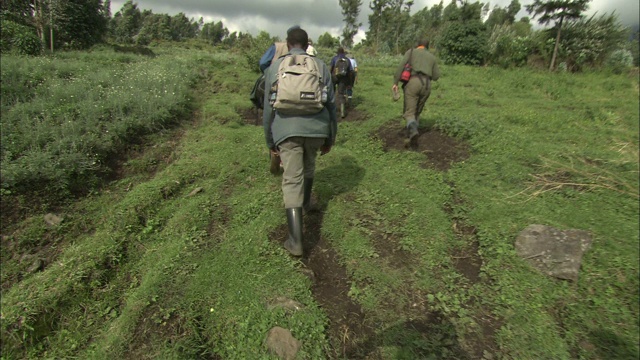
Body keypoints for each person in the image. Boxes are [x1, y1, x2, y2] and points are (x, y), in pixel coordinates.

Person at [263, 27, 338, 257]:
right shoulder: (321, 66)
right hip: (316, 129)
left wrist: (270, 140)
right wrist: (330, 138)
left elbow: (268, 109)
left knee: (291, 179)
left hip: (287, 130)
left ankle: (295, 241)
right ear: (307, 45)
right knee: (309, 165)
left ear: (287, 43)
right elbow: (332, 106)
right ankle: (306, 204)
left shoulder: (276, 66)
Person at [392, 38, 440, 144]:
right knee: (417, 112)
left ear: (418, 44)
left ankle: (413, 131)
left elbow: (401, 67)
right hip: (427, 85)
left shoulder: (411, 52)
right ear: (427, 46)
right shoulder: (432, 57)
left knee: (409, 113)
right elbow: (436, 76)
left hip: (413, 83)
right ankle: (411, 138)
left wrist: (395, 82)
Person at [330, 47, 353, 117]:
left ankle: (331, 110)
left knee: (332, 93)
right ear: (344, 53)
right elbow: (350, 72)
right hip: (343, 78)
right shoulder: (347, 60)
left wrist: (330, 77)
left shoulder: (334, 58)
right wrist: (350, 82)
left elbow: (331, 69)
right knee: (341, 94)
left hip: (334, 77)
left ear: (337, 52)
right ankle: (342, 112)